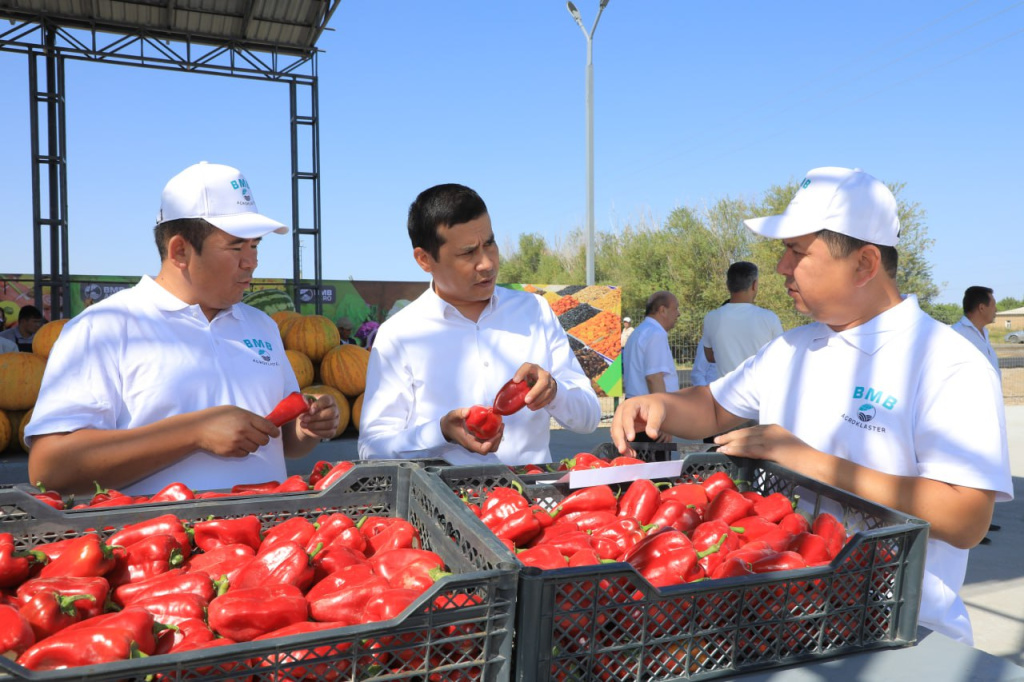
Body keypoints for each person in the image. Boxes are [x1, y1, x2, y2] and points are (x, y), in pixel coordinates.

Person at [611, 166, 1011, 644]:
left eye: (797, 251)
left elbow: (966, 518)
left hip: (898, 630)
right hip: (782, 615)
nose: (781, 267)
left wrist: (807, 460)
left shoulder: (946, 362)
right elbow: (714, 408)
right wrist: (656, 404)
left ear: (864, 264)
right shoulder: (793, 347)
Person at [26, 161, 340, 496]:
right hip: (153, 545)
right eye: (236, 246)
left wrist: (307, 429)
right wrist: (194, 432)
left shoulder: (262, 325)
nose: (252, 261)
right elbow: (50, 468)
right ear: (180, 250)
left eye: (255, 245)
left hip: (269, 542)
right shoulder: (103, 328)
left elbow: (284, 442)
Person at [358, 183, 600, 466]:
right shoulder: (399, 335)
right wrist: (440, 432)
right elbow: (372, 447)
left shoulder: (534, 312)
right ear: (424, 259)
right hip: (440, 504)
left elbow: (589, 418)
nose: (486, 263)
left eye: (490, 244)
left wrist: (554, 392)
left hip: (532, 500)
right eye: (468, 253)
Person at [699, 261, 783, 379]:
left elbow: (710, 357)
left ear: (728, 285)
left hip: (725, 393)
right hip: (758, 393)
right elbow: (780, 357)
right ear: (754, 285)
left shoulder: (711, 318)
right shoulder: (770, 318)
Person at [622, 291, 680, 399]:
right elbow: (654, 378)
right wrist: (664, 411)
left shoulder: (639, 332)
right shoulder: (656, 333)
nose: (678, 313)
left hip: (637, 403)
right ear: (662, 310)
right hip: (649, 408)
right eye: (675, 308)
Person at [951, 286, 1000, 375]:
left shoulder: (984, 333)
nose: (996, 309)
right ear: (981, 308)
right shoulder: (956, 334)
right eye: (993, 305)